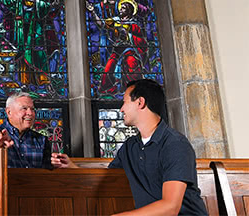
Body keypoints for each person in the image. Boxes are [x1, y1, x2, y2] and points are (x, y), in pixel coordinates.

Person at [51, 79, 208, 215]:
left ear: (140, 102)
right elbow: (107, 179)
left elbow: (170, 207)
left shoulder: (175, 145)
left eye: (125, 101)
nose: (121, 109)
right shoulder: (130, 147)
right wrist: (73, 167)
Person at [0, 92, 61, 215]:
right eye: (24, 108)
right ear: (9, 112)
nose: (30, 113)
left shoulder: (41, 140)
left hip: (32, 197)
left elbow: (47, 174)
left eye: (32, 109)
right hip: (0, 194)